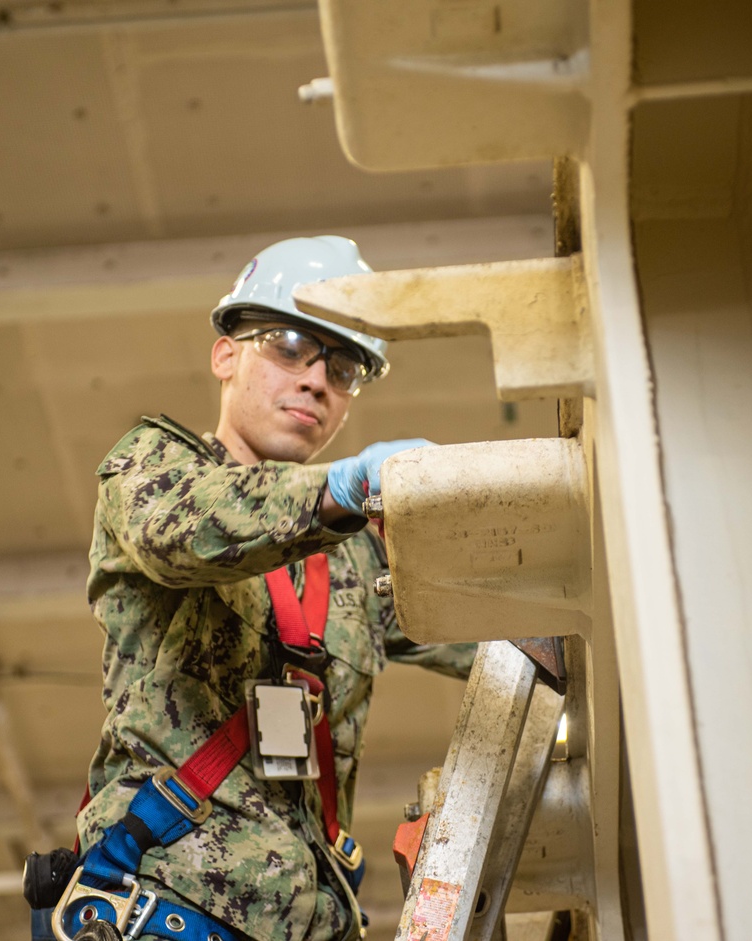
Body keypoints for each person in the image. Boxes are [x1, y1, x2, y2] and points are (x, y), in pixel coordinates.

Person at [63, 236, 474, 941]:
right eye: (288, 345)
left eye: (342, 366)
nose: (316, 379)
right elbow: (188, 531)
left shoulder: (356, 558)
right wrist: (343, 488)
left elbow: (489, 632)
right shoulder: (152, 467)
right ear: (226, 353)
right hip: (168, 908)